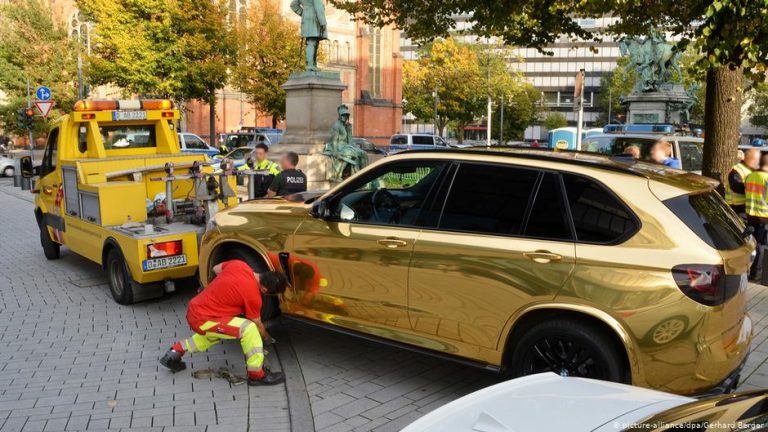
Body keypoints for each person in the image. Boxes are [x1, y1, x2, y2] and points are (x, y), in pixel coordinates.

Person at [159, 260, 288, 385]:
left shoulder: (240, 265)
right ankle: (257, 375)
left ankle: (175, 352)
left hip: (196, 309)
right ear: (265, 290)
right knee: (249, 329)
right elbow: (257, 323)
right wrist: (267, 338)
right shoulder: (253, 296)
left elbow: (216, 268)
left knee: (214, 335)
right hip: (203, 318)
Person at [745, 153, 768, 280]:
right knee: (761, 246)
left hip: (750, 214)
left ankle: (749, 269)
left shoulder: (750, 176)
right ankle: (756, 274)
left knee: (752, 244)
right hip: (764, 217)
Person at [726, 148, 759, 216]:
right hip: (737, 208)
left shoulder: (750, 169)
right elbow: (736, 186)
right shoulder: (737, 170)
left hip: (746, 207)